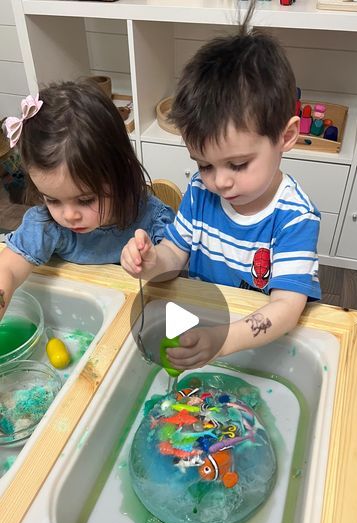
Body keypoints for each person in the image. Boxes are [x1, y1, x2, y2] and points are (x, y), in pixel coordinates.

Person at [121, 6, 321, 371]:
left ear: (286, 137)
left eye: (238, 164)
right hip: (203, 326)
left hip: (255, 343)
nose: (220, 181)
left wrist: (223, 339)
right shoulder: (201, 191)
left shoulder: (294, 217)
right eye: (204, 164)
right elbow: (174, 256)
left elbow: (286, 309)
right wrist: (151, 263)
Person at [0, 81, 174, 318]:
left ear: (119, 174)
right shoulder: (46, 225)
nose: (69, 215)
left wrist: (153, 264)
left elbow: (173, 271)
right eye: (52, 200)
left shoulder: (150, 218)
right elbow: (8, 267)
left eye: (85, 200)